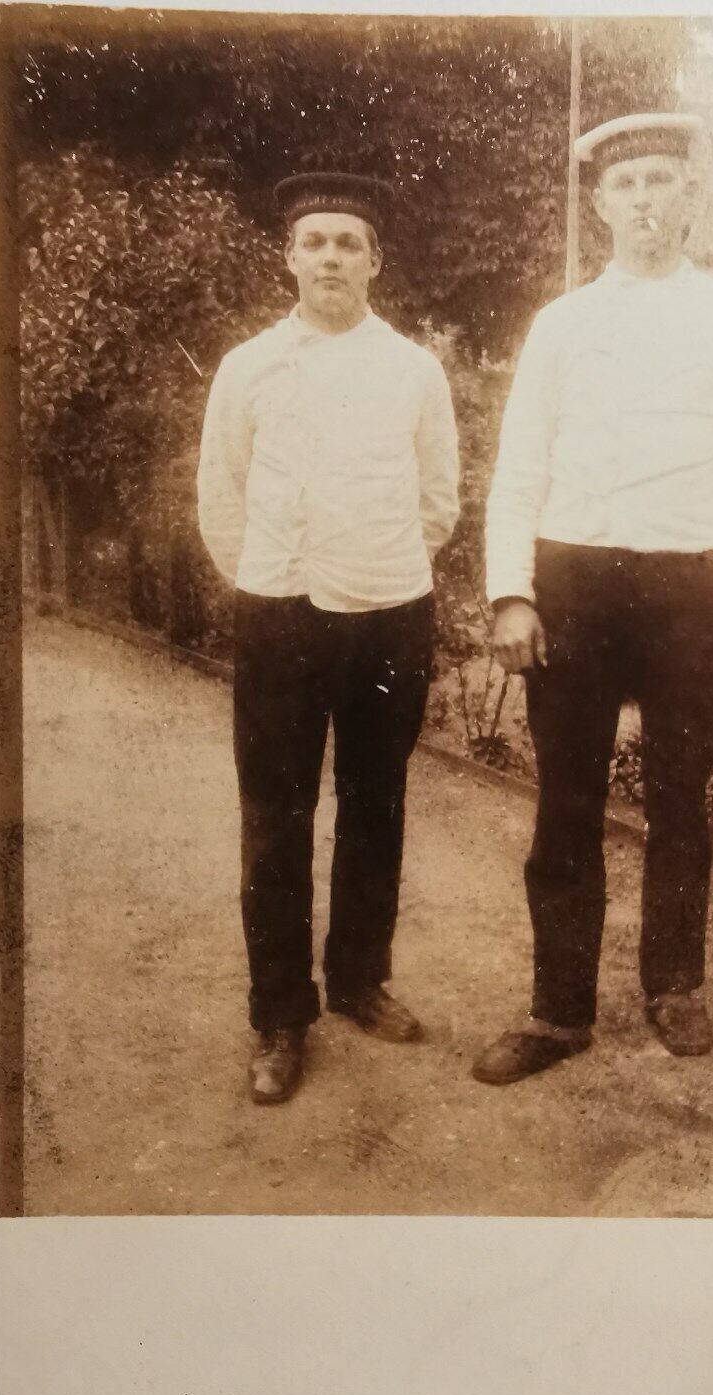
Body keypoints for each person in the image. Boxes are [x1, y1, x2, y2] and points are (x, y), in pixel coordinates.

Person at [474, 113, 713, 1085]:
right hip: (572, 582)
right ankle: (558, 1010)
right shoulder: (562, 324)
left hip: (689, 585)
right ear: (600, 202)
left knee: (678, 801)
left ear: (691, 196)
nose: (647, 200)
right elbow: (518, 467)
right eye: (628, 185)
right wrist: (509, 593)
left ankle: (674, 987)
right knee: (565, 803)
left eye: (664, 180)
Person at [197, 171, 460, 1104]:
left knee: (376, 805)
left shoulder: (415, 370)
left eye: (349, 243)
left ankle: (357, 979)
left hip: (391, 612)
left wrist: (379, 564)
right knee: (275, 821)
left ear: (375, 261)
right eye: (315, 242)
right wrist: (270, 577)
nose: (332, 259)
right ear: (290, 257)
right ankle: (279, 1014)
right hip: (280, 613)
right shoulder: (248, 367)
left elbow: (439, 501)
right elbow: (221, 495)